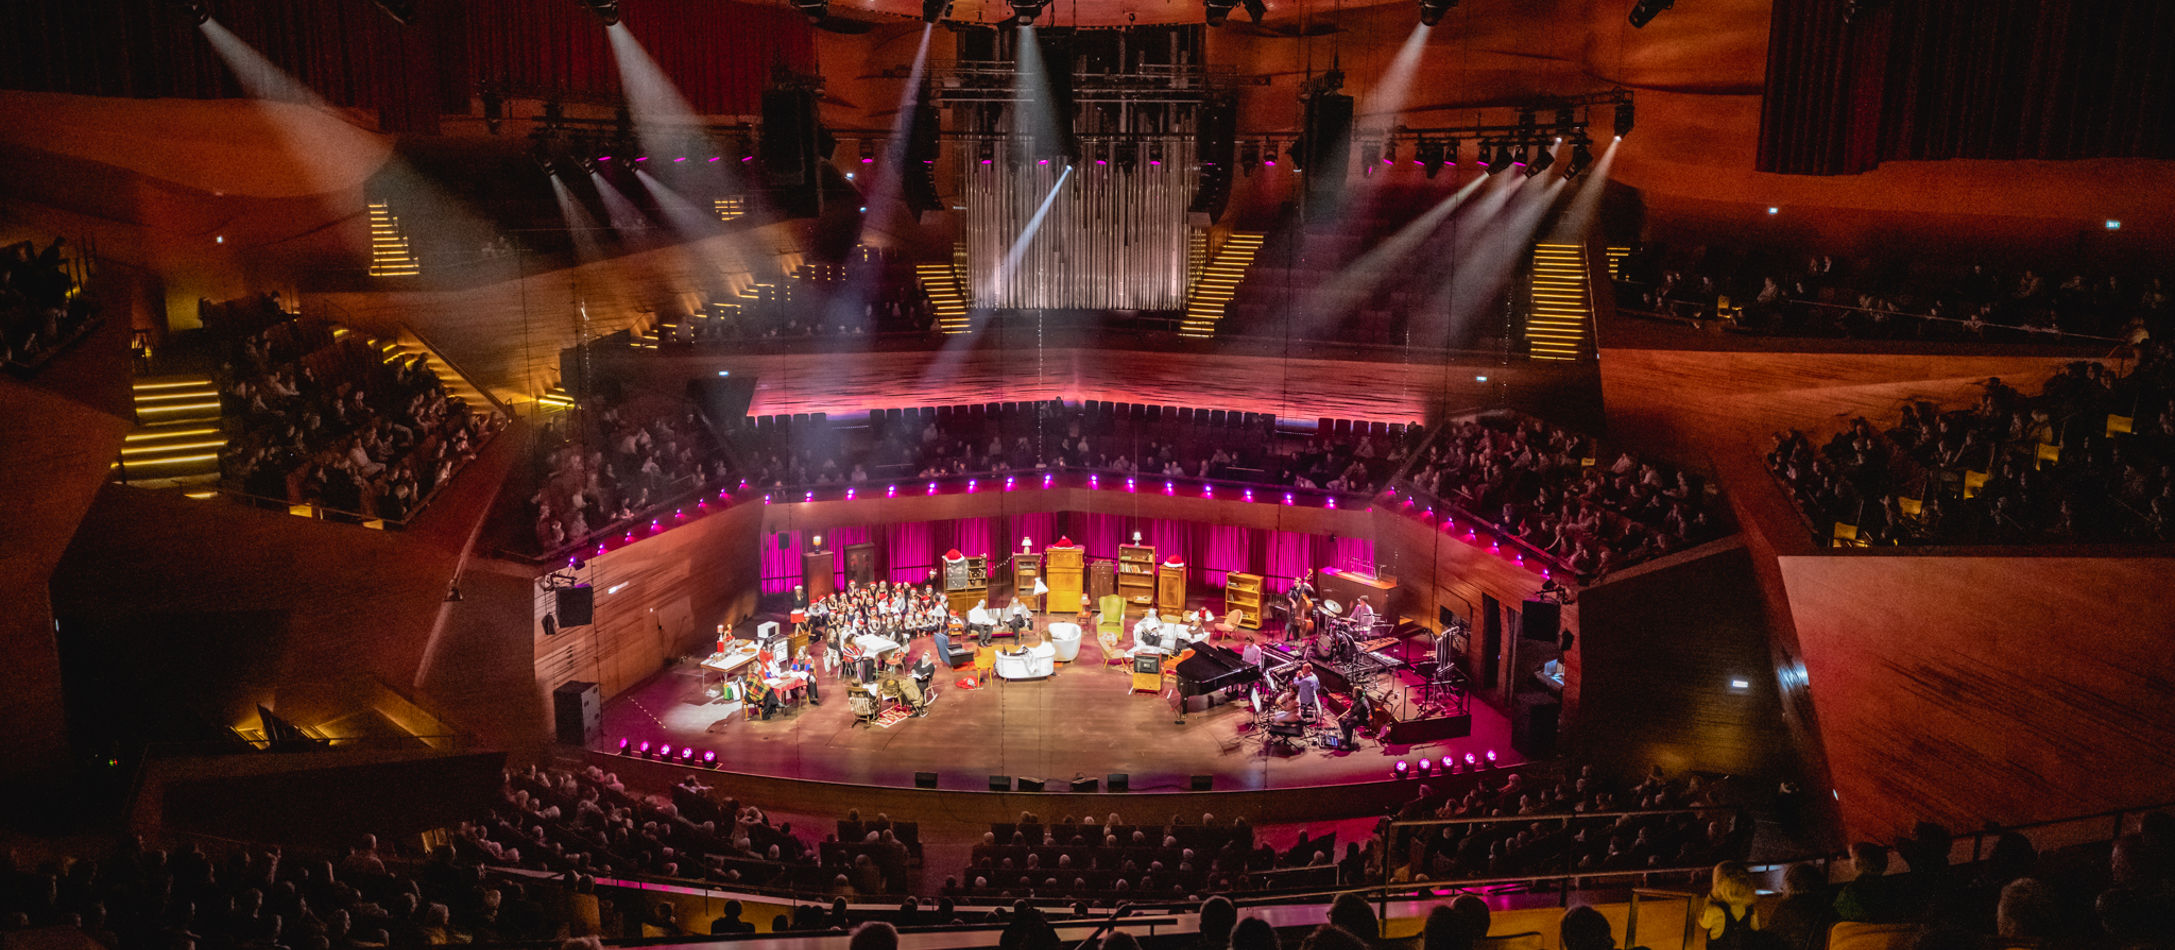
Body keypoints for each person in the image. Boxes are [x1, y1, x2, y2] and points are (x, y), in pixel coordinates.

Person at [1701, 861, 1762, 950]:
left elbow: (1704, 923)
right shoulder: (1750, 909)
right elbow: (1756, 929)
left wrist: (1709, 898)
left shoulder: (1715, 910)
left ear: (1718, 884)